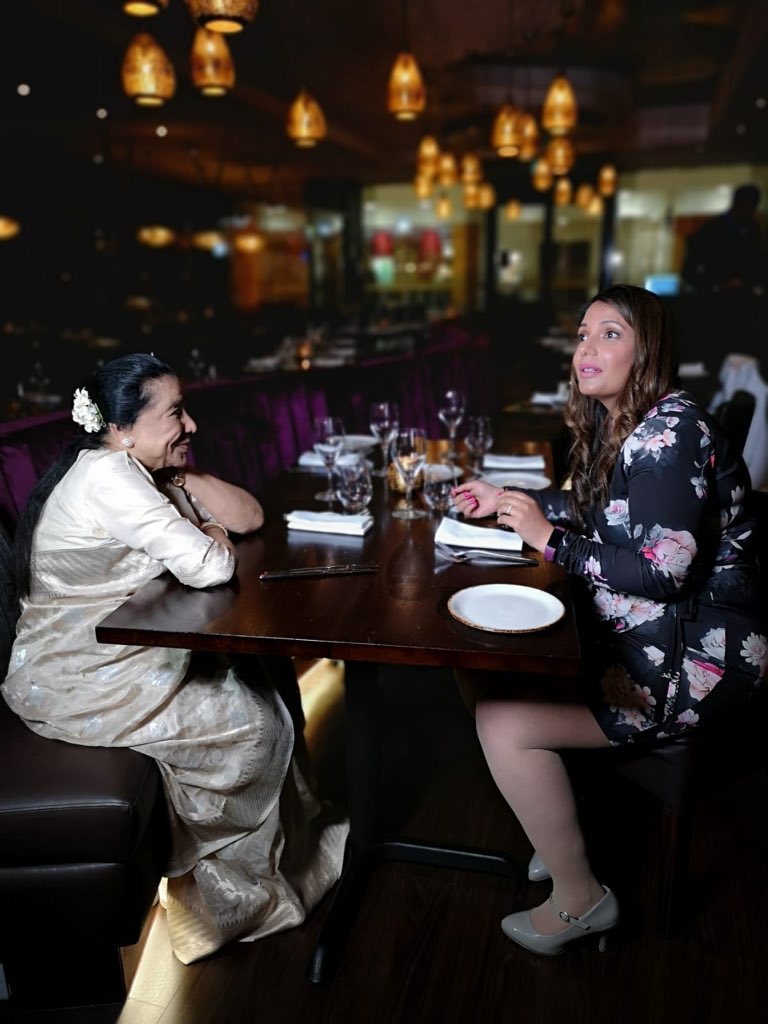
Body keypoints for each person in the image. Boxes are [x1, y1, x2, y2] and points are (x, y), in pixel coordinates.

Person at [2, 353, 348, 965]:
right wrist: (210, 537)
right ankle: (232, 901)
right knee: (251, 722)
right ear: (121, 428)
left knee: (260, 677)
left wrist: (181, 477)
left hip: (118, 648)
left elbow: (249, 518)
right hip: (78, 673)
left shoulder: (132, 469)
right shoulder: (110, 478)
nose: (191, 425)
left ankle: (279, 865)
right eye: (176, 413)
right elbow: (212, 565)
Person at [451, 284, 765, 956]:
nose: (587, 348)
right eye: (583, 334)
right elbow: (601, 512)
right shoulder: (630, 423)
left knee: (502, 719)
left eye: (611, 334)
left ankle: (581, 899)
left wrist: (548, 541)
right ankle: (557, 830)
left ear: (647, 351)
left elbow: (662, 572)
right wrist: (509, 500)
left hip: (701, 658)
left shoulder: (672, 434)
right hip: (652, 632)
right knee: (478, 665)